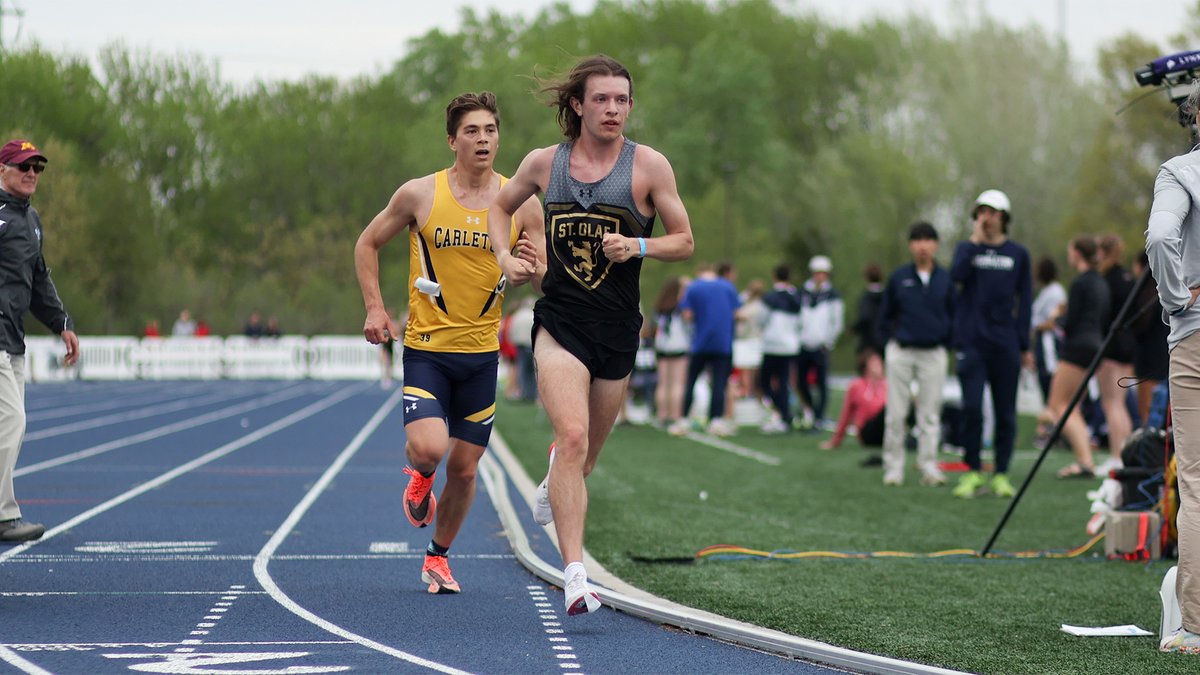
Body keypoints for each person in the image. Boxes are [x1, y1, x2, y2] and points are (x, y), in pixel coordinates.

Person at [488, 54, 694, 615]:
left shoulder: (648, 167)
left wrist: (639, 246)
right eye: (601, 99)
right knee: (573, 436)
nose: (613, 109)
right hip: (561, 322)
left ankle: (559, 472)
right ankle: (575, 573)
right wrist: (506, 256)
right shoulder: (543, 164)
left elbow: (685, 240)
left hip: (619, 329)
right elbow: (496, 209)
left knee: (585, 457)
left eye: (621, 100)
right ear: (578, 105)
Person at [355, 91, 542, 595]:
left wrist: (531, 270)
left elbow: (542, 276)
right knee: (431, 449)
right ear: (452, 140)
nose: (484, 140)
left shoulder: (523, 202)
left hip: (481, 358)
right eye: (472, 132)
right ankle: (419, 475)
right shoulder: (420, 194)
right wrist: (375, 307)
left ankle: (437, 558)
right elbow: (367, 243)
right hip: (428, 349)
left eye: (491, 131)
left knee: (463, 471)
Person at [0, 139, 79, 542]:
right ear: (3, 171)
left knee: (10, 427)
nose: (32, 173)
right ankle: (2, 514)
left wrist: (61, 321)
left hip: (13, 342)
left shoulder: (31, 220)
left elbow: (39, 281)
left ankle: (4, 513)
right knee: (11, 421)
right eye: (23, 166)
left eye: (38, 167)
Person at [1146, 86, 1200, 652]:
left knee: (1198, 483)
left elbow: (1162, 235)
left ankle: (1194, 625)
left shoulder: (1180, 170)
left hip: (1196, 332)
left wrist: (1175, 298)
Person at [949, 189, 1032, 499]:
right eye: (982, 211)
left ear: (1004, 217)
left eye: (993, 212)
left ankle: (1001, 474)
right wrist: (973, 242)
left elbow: (1024, 303)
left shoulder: (1018, 255)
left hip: (1005, 345)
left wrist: (1024, 346)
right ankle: (971, 471)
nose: (987, 217)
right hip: (971, 344)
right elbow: (955, 276)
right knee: (971, 408)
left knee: (1005, 413)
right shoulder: (966, 249)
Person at [876, 222, 954, 487]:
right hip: (902, 351)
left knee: (930, 414)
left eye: (928, 240)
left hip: (933, 352)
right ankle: (893, 467)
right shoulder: (899, 278)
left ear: (936, 245)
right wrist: (887, 345)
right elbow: (884, 316)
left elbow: (954, 314)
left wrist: (947, 342)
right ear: (910, 245)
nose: (923, 246)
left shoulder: (945, 279)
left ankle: (929, 465)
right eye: (917, 240)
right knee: (897, 414)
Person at [1044, 236, 1110, 479]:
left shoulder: (1081, 283)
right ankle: (1085, 460)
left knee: (1059, 405)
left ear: (1078, 254)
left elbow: (1071, 323)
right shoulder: (1101, 283)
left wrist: (1056, 319)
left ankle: (1084, 462)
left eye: (1071, 251)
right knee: (1073, 406)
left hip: (1077, 347)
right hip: (1095, 346)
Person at [671, 262, 741, 437]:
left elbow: (687, 315)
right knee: (719, 383)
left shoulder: (693, 287)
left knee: (691, 381)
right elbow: (736, 313)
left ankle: (684, 419)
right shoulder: (728, 287)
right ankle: (715, 420)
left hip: (700, 342)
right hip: (723, 343)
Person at [1096, 233, 1136, 471]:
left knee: (1111, 403)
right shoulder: (1128, 278)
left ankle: (1116, 457)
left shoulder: (1107, 279)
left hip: (1112, 345)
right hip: (1128, 344)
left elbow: (1102, 314)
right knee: (1120, 403)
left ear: (1102, 252)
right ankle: (1126, 456)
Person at [795, 254, 844, 430]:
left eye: (823, 273)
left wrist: (828, 341)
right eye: (817, 273)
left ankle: (819, 415)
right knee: (801, 382)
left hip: (821, 345)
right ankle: (811, 409)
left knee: (822, 383)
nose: (819, 276)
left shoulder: (832, 295)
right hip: (803, 344)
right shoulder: (802, 293)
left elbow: (836, 322)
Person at [758, 264, 801, 433]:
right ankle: (784, 414)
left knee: (764, 381)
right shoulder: (795, 297)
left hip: (772, 345)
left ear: (774, 276)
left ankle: (782, 412)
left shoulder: (769, 297)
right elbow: (801, 322)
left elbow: (761, 319)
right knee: (783, 381)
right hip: (790, 345)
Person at [1130, 250, 1170, 425]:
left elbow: (1139, 328)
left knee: (1148, 409)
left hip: (1150, 358)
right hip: (1162, 355)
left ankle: (1150, 446)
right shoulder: (1165, 290)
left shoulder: (1147, 295)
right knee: (1157, 407)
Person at [819, 350, 886, 452]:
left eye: (879, 363)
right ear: (866, 366)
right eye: (875, 363)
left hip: (886, 433)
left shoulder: (886, 385)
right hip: (867, 432)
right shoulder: (857, 386)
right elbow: (846, 415)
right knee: (888, 409)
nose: (879, 366)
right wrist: (835, 441)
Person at [652, 276, 690, 428]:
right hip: (678, 345)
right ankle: (675, 415)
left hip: (662, 346)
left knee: (663, 383)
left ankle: (662, 414)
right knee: (677, 383)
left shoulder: (660, 306)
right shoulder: (681, 307)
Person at [1030, 255, 1067, 403]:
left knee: (1049, 382)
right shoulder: (1045, 291)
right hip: (1041, 343)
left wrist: (1039, 326)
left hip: (1049, 345)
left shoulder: (1055, 292)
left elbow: (1056, 320)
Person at [852, 263, 885, 356]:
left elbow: (864, 317)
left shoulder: (865, 298)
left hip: (868, 343)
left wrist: (854, 329)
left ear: (866, 278)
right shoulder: (888, 296)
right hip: (885, 341)